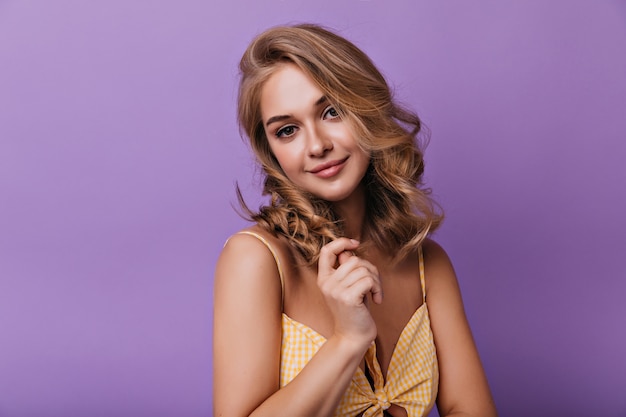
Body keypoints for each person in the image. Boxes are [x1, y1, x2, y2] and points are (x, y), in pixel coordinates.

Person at [213, 23, 497, 417]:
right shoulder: (256, 260)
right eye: (288, 130)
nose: (317, 145)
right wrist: (348, 339)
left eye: (332, 111)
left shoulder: (426, 264)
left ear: (367, 109)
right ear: (271, 151)